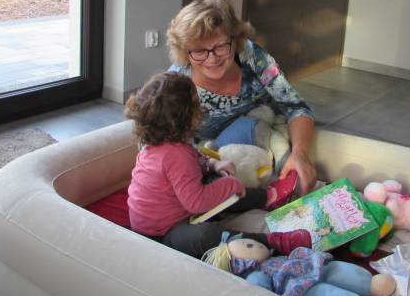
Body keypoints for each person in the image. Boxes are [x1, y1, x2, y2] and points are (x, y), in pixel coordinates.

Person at [126, 72, 310, 259]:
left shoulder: (164, 141)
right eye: (196, 104)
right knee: (206, 234)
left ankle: (268, 197)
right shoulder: (175, 155)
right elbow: (196, 202)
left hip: (176, 207)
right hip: (161, 234)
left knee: (217, 181)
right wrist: (231, 185)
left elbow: (194, 161)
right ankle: (272, 241)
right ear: (183, 117)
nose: (201, 108)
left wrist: (213, 164)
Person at [166, 0, 318, 195]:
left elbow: (295, 107)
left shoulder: (251, 55)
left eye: (221, 46)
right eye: (199, 51)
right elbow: (159, 147)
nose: (212, 59)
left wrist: (300, 154)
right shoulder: (176, 83)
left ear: (235, 39)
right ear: (185, 52)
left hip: (262, 140)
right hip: (209, 160)